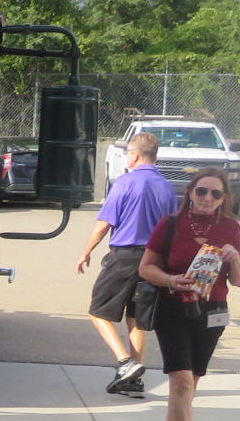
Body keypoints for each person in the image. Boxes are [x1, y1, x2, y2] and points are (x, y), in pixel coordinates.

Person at [139, 168, 240, 421]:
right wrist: (172, 279)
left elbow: (239, 281)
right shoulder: (170, 225)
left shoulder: (230, 228)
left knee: (192, 383)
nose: (207, 198)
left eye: (215, 194)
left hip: (212, 312)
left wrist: (235, 260)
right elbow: (145, 268)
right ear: (190, 192)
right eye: (201, 191)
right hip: (174, 308)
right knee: (182, 381)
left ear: (223, 199)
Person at [75, 132, 176, 395]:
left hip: (125, 256)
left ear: (134, 154)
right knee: (136, 319)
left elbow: (103, 223)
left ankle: (125, 362)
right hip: (154, 260)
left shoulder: (125, 183)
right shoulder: (167, 187)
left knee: (97, 311)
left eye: (126, 152)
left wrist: (86, 252)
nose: (125, 156)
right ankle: (134, 379)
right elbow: (171, 229)